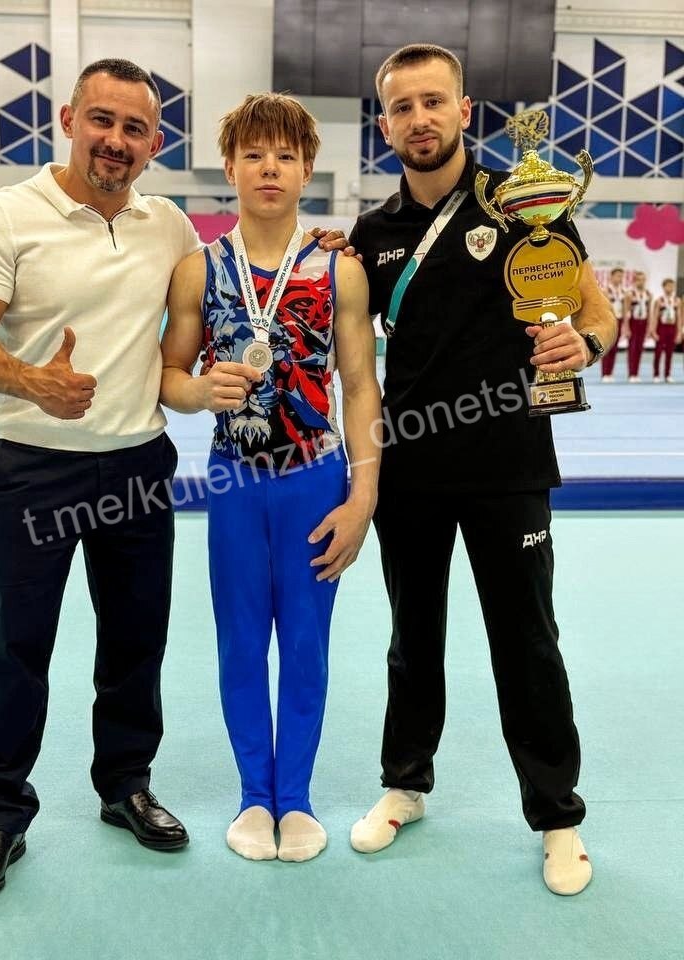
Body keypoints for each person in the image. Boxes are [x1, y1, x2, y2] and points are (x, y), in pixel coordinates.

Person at [345, 44, 616, 896]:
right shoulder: (372, 234)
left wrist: (583, 343)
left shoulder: (528, 203)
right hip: (410, 466)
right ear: (385, 124)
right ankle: (405, 783)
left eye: (434, 101)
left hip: (509, 465)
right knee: (411, 639)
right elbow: (348, 350)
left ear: (464, 111)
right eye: (402, 106)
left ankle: (557, 815)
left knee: (527, 643)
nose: (419, 118)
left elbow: (595, 311)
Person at [0, 59, 203, 900]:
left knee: (136, 640)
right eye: (102, 120)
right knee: (16, 647)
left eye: (134, 128)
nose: (115, 140)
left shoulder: (170, 227)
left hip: (138, 466)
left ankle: (126, 784)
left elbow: (239, 274)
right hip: (35, 469)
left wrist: (330, 245)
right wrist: (30, 380)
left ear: (154, 143)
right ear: (68, 120)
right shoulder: (7, 213)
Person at [160, 93, 381, 862]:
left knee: (308, 647)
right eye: (253, 154)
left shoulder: (340, 269)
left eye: (285, 155)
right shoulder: (197, 270)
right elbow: (169, 376)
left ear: (307, 168)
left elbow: (362, 387)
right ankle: (256, 795)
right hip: (235, 484)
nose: (269, 168)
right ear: (229, 167)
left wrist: (363, 497)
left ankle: (298, 798)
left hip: (315, 480)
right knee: (242, 644)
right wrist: (199, 392)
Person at [649, 278, 681, 383]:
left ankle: (667, 374)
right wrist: (653, 331)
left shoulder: (677, 301)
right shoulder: (659, 301)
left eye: (672, 286)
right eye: (668, 286)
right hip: (661, 328)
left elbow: (679, 318)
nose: (670, 288)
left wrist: (679, 333)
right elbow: (655, 317)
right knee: (658, 352)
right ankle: (656, 374)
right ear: (663, 287)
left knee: (669, 353)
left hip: (672, 328)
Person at [624, 271, 652, 382]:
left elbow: (649, 312)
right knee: (632, 349)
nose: (641, 282)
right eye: (639, 280)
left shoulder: (648, 294)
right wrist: (627, 328)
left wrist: (649, 327)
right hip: (633, 322)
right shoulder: (630, 294)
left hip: (643, 322)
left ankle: (636, 373)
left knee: (640, 349)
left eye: (643, 280)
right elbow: (626, 311)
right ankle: (631, 374)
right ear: (635, 281)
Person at [600, 267, 626, 382]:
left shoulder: (623, 292)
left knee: (615, 348)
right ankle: (605, 373)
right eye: (618, 276)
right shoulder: (605, 290)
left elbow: (625, 309)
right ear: (611, 276)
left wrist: (625, 323)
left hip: (619, 319)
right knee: (607, 347)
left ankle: (610, 373)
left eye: (621, 276)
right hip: (609, 320)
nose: (620, 278)